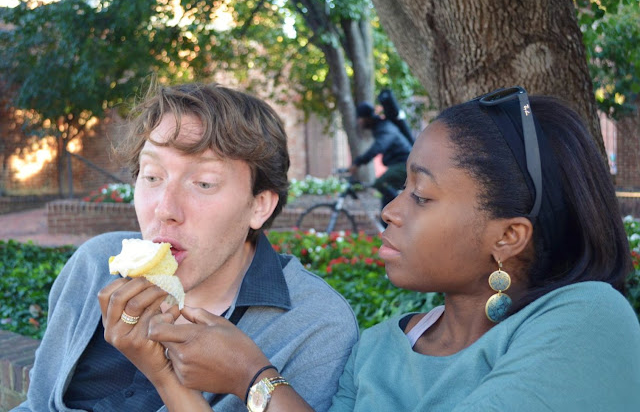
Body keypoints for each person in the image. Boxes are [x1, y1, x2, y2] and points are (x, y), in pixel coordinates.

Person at [147, 86, 640, 411]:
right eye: (402, 188)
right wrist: (166, 376)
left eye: (421, 196)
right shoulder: (377, 348)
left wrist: (254, 378)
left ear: (507, 237)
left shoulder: (589, 319)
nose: (390, 211)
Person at [13, 82, 359, 411]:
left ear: (259, 206)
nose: (165, 209)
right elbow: (37, 403)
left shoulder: (314, 325)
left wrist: (164, 375)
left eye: (204, 183)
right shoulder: (95, 264)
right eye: (152, 176)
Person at [348, 101, 412, 213]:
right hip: (399, 164)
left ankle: (406, 211)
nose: (359, 122)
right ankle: (386, 221)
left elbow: (379, 147)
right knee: (385, 201)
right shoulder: (379, 127)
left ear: (367, 117)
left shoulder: (385, 128)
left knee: (380, 183)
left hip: (405, 164)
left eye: (360, 118)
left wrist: (358, 162)